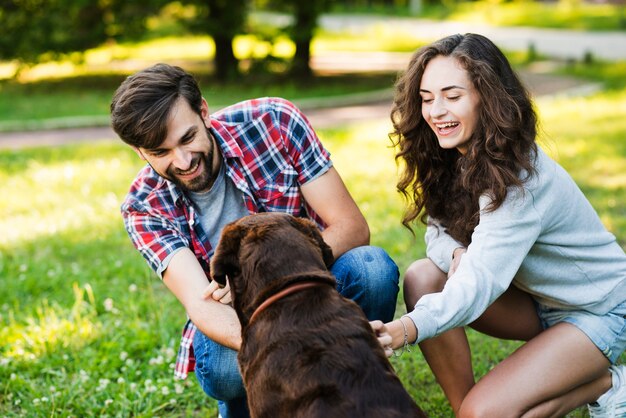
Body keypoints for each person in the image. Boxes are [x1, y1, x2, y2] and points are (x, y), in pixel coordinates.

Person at [110, 63, 400, 418]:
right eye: (160, 153)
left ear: (203, 111)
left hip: (315, 294)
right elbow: (201, 304)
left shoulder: (274, 122)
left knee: (372, 270)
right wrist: (295, 347)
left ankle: (355, 384)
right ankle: (254, 399)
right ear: (140, 152)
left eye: (187, 139)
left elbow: (352, 228)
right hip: (237, 323)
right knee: (219, 368)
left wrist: (264, 283)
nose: (183, 162)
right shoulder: (143, 206)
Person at [372, 33, 626, 417]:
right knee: (423, 276)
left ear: (486, 97)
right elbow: (436, 232)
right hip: (536, 303)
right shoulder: (454, 155)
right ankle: (469, 408)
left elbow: (478, 285)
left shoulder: (521, 180)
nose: (436, 111)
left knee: (485, 411)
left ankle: (609, 384)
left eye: (452, 96)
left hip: (597, 310)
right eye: (427, 98)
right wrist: (459, 252)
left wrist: (402, 329)